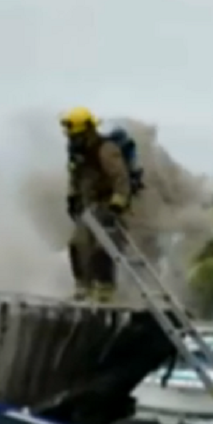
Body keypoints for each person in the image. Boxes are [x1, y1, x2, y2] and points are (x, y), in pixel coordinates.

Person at [61, 106, 132, 303]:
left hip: (107, 206)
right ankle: (82, 287)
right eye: (71, 136)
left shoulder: (106, 150)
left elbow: (121, 178)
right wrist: (72, 198)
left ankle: (104, 291)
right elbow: (75, 178)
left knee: (103, 247)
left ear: (89, 131)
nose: (73, 140)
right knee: (77, 243)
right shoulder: (77, 154)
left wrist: (116, 205)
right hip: (88, 207)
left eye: (77, 135)